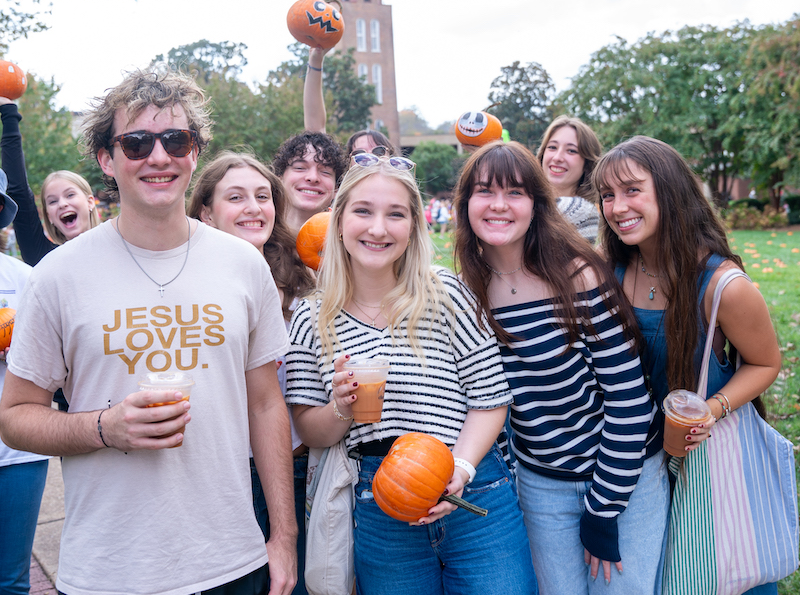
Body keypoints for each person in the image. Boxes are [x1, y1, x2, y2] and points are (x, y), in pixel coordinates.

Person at [0, 69, 297, 595]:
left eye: (175, 139)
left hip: (235, 561)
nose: (157, 157)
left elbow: (266, 404)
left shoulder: (242, 265)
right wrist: (103, 428)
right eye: (135, 142)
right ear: (106, 161)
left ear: (194, 152)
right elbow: (17, 418)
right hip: (110, 570)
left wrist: (283, 535)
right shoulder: (57, 276)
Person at [285, 151, 536, 595]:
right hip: (381, 503)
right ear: (339, 220)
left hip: (472, 488)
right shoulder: (311, 317)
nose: (378, 228)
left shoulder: (446, 292)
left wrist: (459, 468)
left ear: (414, 224)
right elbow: (309, 428)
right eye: (363, 211)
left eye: (395, 214)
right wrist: (340, 409)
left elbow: (491, 400)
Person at [453, 140, 663, 595]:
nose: (499, 205)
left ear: (536, 204)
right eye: (485, 191)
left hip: (622, 476)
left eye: (516, 192)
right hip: (542, 485)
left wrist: (605, 508)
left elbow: (629, 401)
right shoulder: (465, 293)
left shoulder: (578, 277)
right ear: (466, 203)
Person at [593, 136, 782, 594]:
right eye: (607, 195)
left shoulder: (723, 286)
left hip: (709, 464)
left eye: (632, 190)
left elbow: (765, 363)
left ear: (670, 191)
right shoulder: (612, 273)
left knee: (719, 573)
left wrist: (710, 410)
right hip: (638, 465)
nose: (617, 207)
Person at [188, 151, 314, 595]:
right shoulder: (188, 287)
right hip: (221, 474)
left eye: (263, 196)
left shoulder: (306, 282)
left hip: (295, 471)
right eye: (236, 197)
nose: (253, 208)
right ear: (206, 210)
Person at [0, 171, 45, 595]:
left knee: (11, 582)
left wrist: (19, 353)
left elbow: (52, 360)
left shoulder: (24, 277)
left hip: (16, 455)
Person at [0, 97, 100, 265]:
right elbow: (18, 191)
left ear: (90, 202)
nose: (62, 204)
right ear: (49, 217)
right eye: (52, 201)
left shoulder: (124, 247)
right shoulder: (45, 258)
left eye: (70, 195)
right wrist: (9, 114)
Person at [536, 115, 602, 242]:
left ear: (587, 163)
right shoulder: (533, 200)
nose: (557, 157)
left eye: (571, 151)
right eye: (552, 147)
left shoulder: (582, 211)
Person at [271, 130, 347, 237]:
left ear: (336, 189)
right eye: (300, 168)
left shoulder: (347, 246)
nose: (313, 177)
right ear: (279, 179)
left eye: (325, 171)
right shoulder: (257, 238)